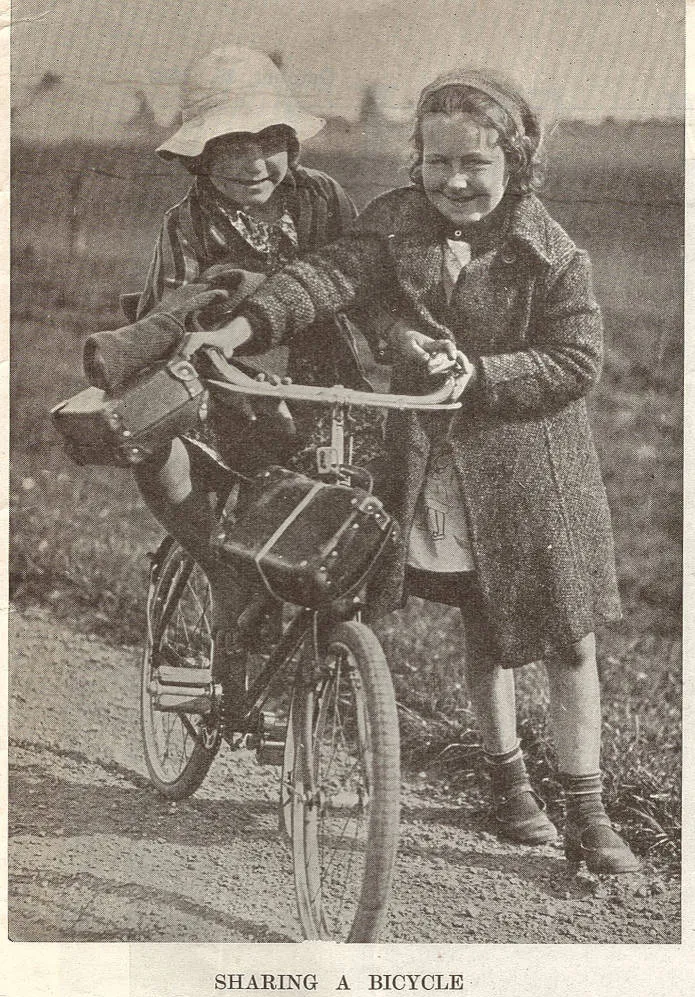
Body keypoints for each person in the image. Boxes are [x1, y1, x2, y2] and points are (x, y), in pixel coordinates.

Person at [183, 67, 640, 874]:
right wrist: (245, 326)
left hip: (530, 476)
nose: (455, 182)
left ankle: (587, 806)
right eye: (437, 163)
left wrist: (482, 375)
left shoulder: (554, 255)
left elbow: (576, 361)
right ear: (415, 161)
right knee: (478, 623)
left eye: (476, 165)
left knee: (565, 639)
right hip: (426, 464)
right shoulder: (395, 224)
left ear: (516, 163)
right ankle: (507, 785)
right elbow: (326, 277)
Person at [84, 45, 385, 647]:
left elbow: (357, 283)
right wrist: (215, 354)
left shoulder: (321, 198)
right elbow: (171, 316)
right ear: (201, 156)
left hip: (319, 382)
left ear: (292, 147)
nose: (254, 164)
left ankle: (324, 673)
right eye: (231, 146)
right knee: (189, 487)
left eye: (270, 142)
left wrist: (398, 339)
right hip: (229, 386)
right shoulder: (188, 223)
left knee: (342, 535)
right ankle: (226, 592)